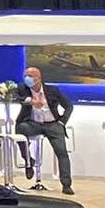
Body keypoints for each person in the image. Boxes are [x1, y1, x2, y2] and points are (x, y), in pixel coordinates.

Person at [13, 65, 75, 195]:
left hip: (52, 124)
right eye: (25, 76)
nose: (27, 78)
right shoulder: (22, 89)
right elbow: (14, 96)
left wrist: (62, 122)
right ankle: (28, 161)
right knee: (20, 129)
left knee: (62, 152)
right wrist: (31, 101)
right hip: (33, 124)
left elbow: (69, 106)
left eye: (30, 76)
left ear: (38, 78)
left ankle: (66, 184)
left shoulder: (52, 90)